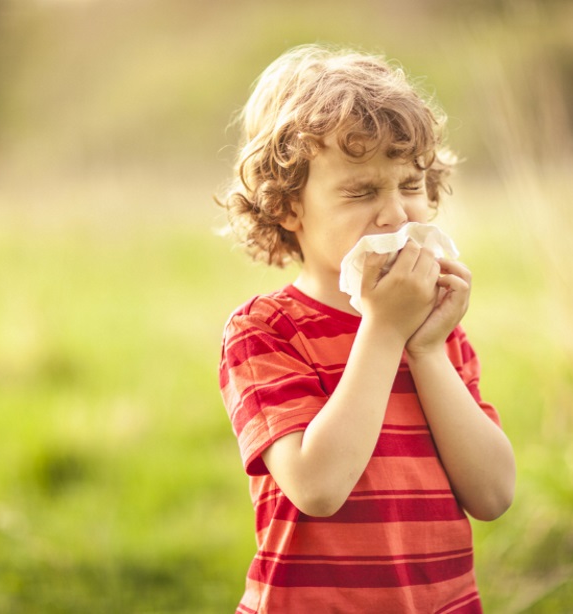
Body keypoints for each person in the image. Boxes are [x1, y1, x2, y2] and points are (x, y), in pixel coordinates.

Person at [216, 44, 515, 613]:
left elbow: (494, 493)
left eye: (409, 186)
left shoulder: (436, 329)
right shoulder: (265, 332)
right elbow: (318, 487)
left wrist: (426, 351)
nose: (396, 215)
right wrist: (383, 329)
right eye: (360, 192)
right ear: (287, 208)